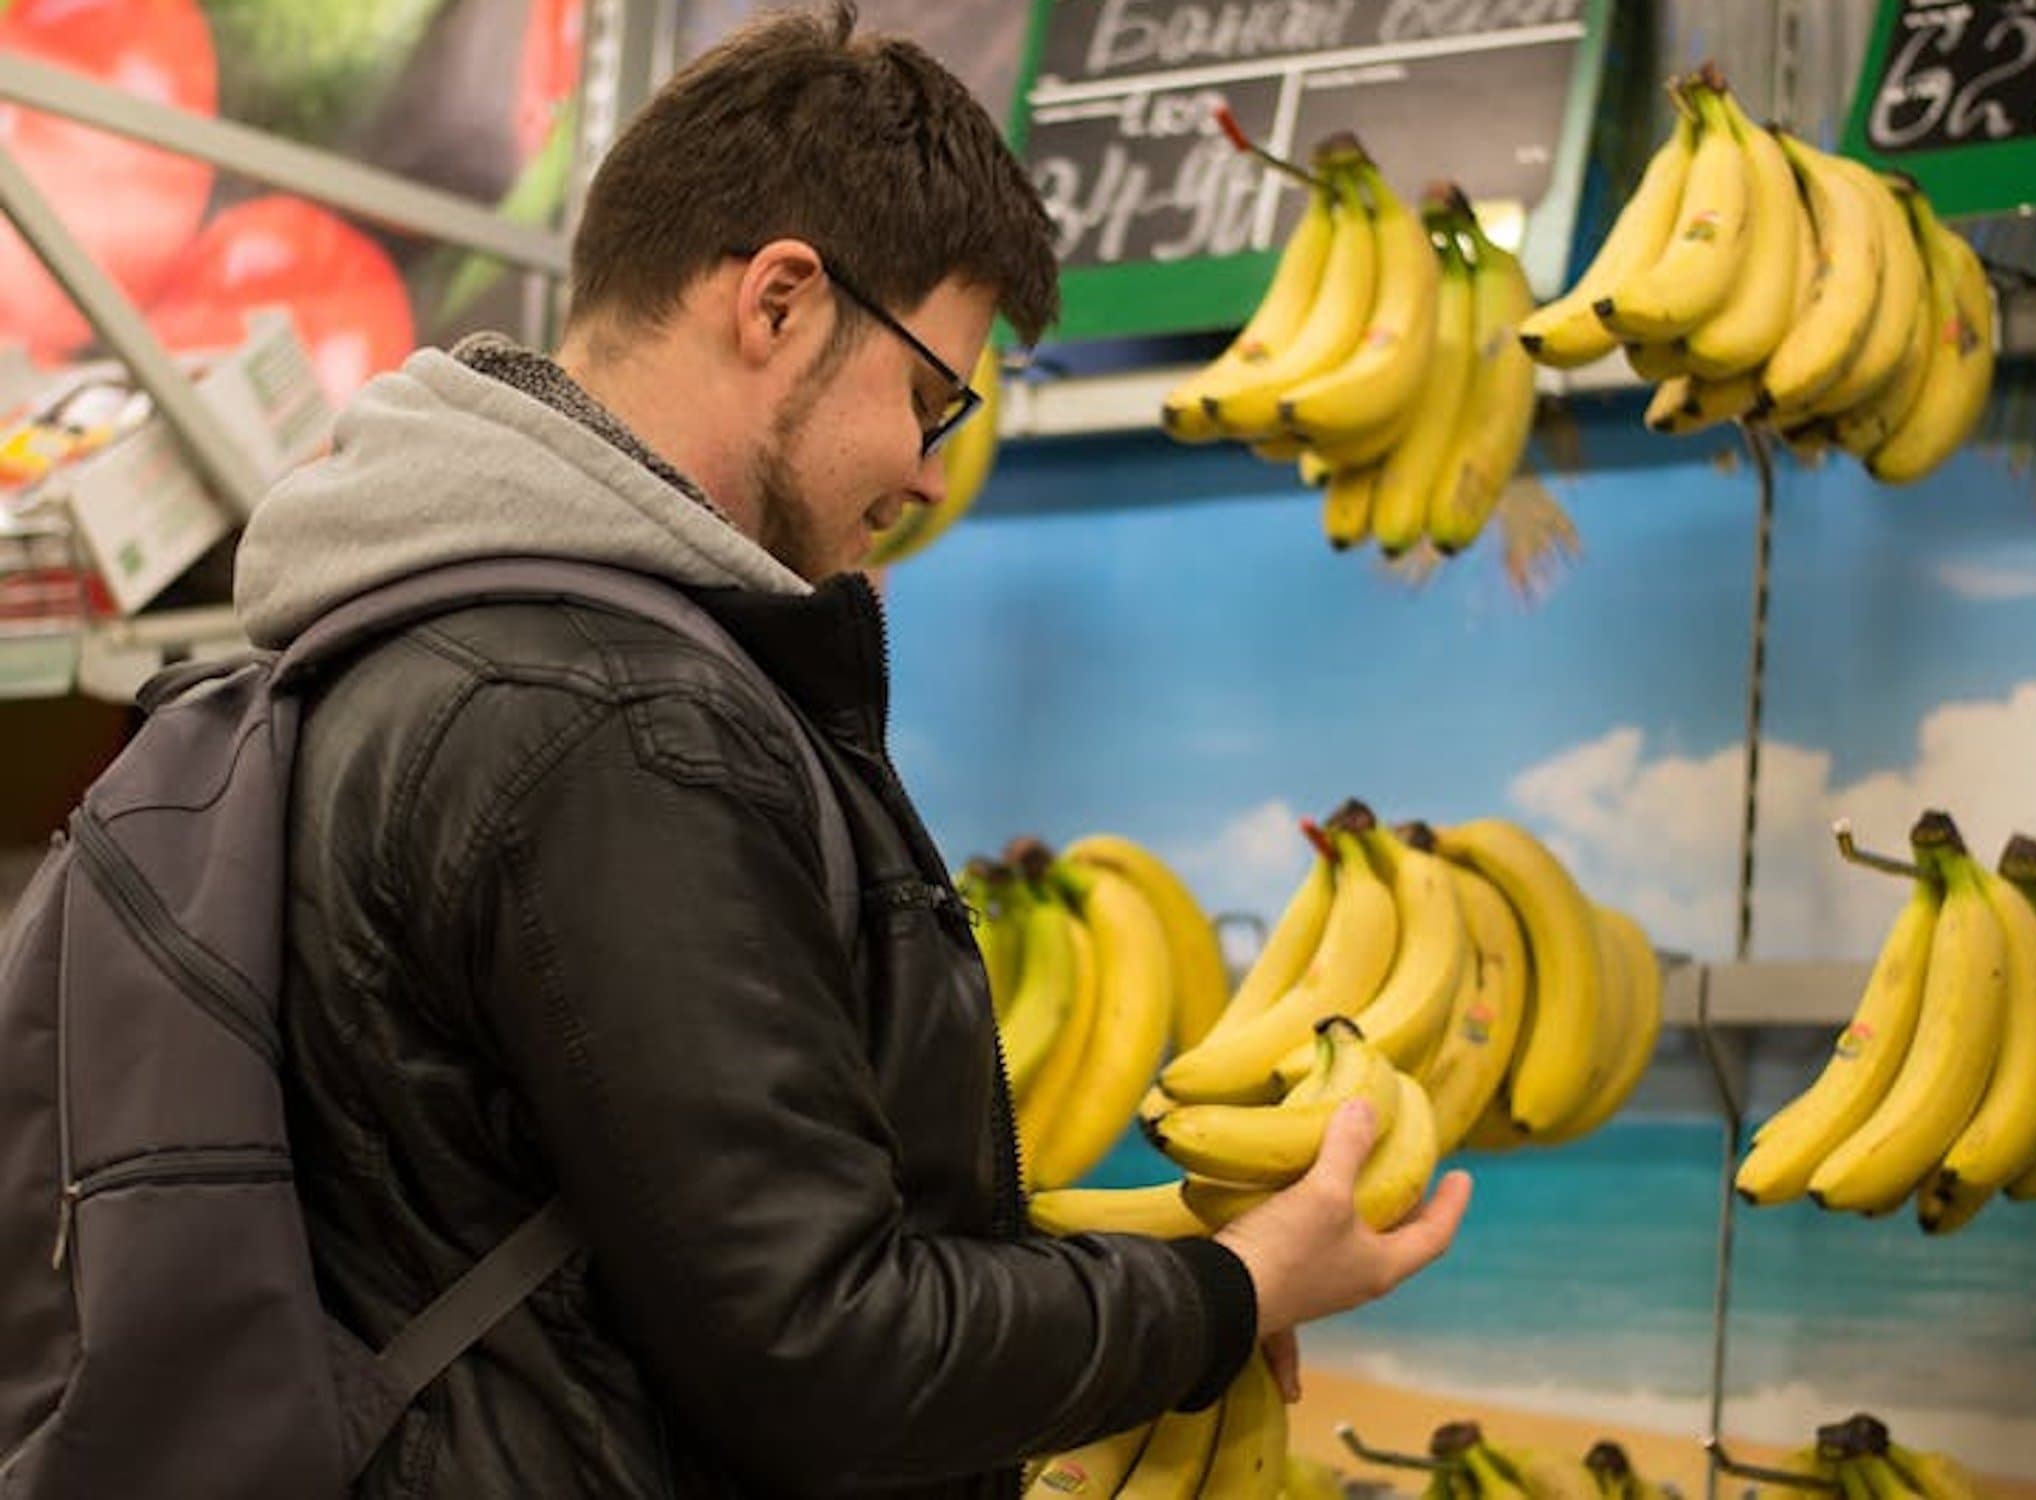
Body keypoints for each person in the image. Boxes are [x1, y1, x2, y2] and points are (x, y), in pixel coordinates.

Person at [230, 6, 1469, 1495]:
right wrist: (1237, 1291)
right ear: (780, 305)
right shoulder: (620, 727)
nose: (930, 468)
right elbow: (824, 1348)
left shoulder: (414, 637)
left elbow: (671, 1249)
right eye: (931, 394)